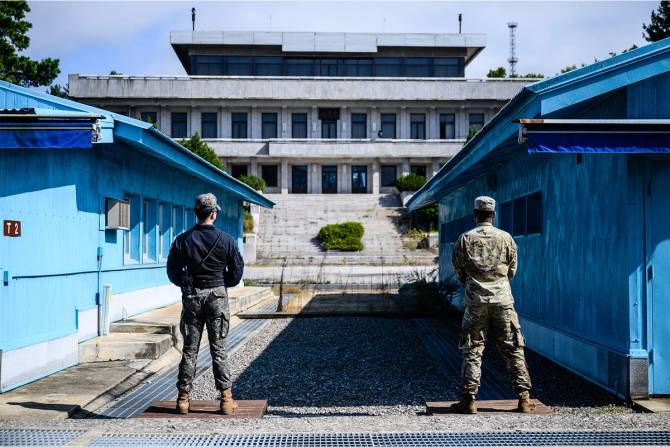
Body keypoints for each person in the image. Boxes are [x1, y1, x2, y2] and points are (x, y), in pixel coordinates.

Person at [450, 196, 534, 414]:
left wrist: (473, 286)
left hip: (475, 302)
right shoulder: (506, 238)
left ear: (475, 214)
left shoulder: (464, 239)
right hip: (503, 300)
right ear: (493, 215)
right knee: (513, 348)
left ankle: (469, 399)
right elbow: (512, 270)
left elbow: (459, 271)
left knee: (472, 349)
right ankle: (524, 399)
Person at [167, 193, 244, 415]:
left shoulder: (182, 240)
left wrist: (187, 285)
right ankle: (226, 400)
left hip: (192, 297)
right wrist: (221, 284)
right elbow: (237, 273)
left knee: (189, 349)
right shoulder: (227, 240)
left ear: (196, 212)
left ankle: (183, 399)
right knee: (219, 349)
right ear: (214, 213)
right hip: (217, 297)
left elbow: (172, 271)